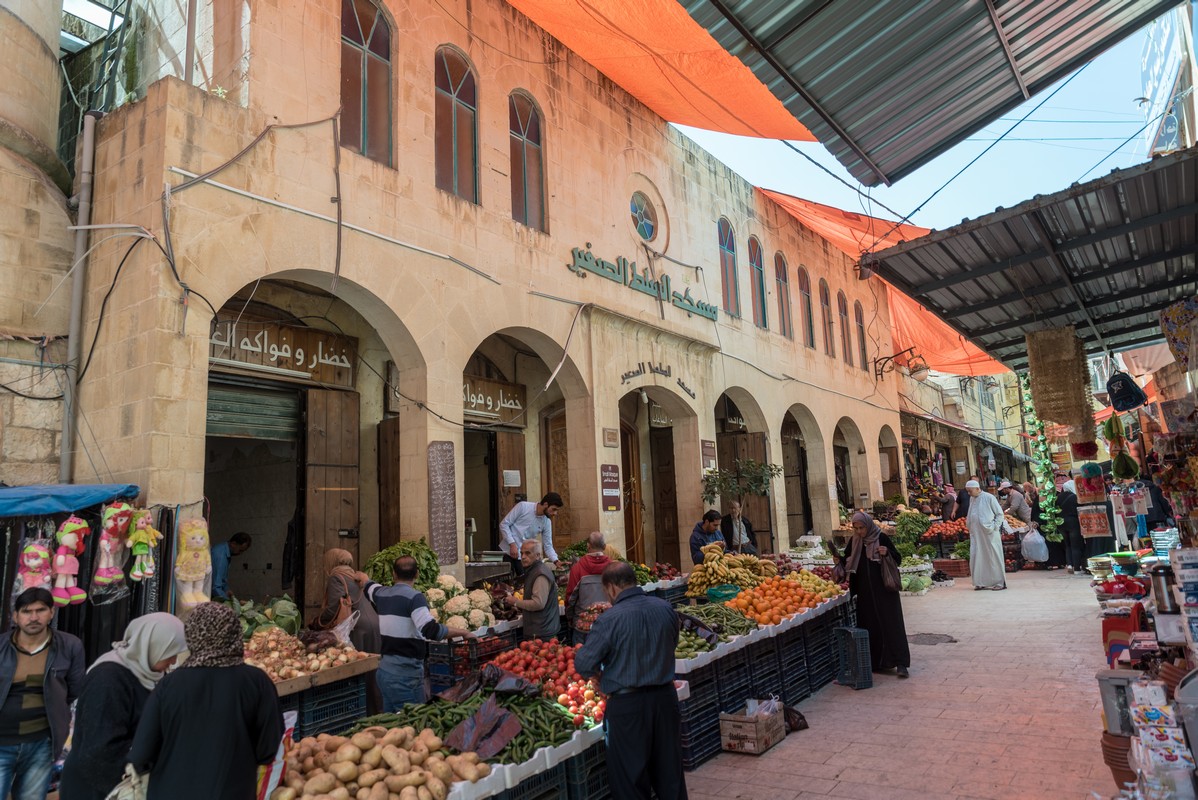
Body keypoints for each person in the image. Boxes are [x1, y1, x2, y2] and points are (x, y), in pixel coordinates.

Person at [127, 602, 283, 800]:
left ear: (193, 636)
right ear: (234, 634)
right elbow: (267, 751)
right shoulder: (257, 682)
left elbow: (141, 755)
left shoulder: (168, 686)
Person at [575, 563, 687, 800]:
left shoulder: (609, 619)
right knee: (671, 776)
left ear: (612, 588)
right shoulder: (666, 608)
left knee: (630, 782)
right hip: (666, 700)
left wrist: (599, 676)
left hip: (628, 708)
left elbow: (583, 663)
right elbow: (672, 643)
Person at [59, 613, 187, 800]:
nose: (173, 661)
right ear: (152, 646)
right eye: (170, 654)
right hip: (98, 788)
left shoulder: (146, 675)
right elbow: (101, 748)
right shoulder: (108, 679)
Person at [0, 588, 85, 800]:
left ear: (51, 613)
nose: (34, 617)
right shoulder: (1, 647)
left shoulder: (69, 646)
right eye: (27, 611)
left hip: (42, 743)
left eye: (41, 610)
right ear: (15, 616)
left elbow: (73, 689)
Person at [362, 556, 473, 711]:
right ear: (417, 574)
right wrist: (464, 632)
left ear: (394, 574)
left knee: (392, 726)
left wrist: (356, 576)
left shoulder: (381, 594)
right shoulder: (415, 598)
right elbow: (431, 630)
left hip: (384, 674)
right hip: (406, 677)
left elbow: (367, 585)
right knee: (413, 726)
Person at [832, 512, 911, 678]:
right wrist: (838, 560)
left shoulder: (881, 538)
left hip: (884, 591)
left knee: (892, 624)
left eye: (862, 528)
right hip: (865, 592)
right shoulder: (854, 541)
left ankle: (901, 663)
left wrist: (886, 552)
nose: (860, 531)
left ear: (868, 525)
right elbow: (847, 559)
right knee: (870, 626)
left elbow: (898, 559)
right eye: (857, 528)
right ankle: (876, 663)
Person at [318, 548, 382, 712]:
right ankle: (377, 709)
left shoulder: (336, 577)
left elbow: (334, 607)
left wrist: (318, 622)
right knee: (373, 670)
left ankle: (363, 711)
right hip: (374, 624)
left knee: (360, 671)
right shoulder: (359, 576)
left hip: (356, 627)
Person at [504, 541, 561, 641]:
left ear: (538, 555)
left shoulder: (540, 574)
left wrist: (516, 602)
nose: (523, 557)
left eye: (528, 553)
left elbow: (538, 603)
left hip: (542, 634)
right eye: (521, 553)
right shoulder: (533, 571)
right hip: (540, 631)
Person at [499, 493, 563, 576]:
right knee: (503, 584)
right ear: (546, 504)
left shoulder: (547, 522)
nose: (555, 513)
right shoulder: (523, 506)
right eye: (554, 509)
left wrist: (556, 561)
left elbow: (548, 545)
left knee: (523, 584)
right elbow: (504, 524)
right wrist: (512, 544)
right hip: (506, 552)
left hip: (524, 558)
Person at [966, 479, 1006, 590]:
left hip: (989, 534)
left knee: (993, 557)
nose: (969, 493)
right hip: (976, 534)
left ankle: (999, 583)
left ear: (977, 489)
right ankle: (980, 582)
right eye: (968, 491)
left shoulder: (989, 497)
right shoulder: (972, 499)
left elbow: (999, 514)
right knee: (977, 556)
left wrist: (994, 527)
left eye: (970, 491)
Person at [210, 531, 252, 599]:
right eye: (240, 550)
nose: (240, 553)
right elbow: (215, 587)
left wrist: (227, 590)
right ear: (233, 544)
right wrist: (230, 603)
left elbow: (222, 580)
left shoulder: (225, 553)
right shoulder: (220, 554)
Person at [1058, 480, 1084, 574]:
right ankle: (1077, 568)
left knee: (1067, 545)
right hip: (1073, 523)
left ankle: (1069, 564)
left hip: (1061, 523)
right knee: (1075, 545)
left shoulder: (1058, 497)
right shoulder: (1075, 497)